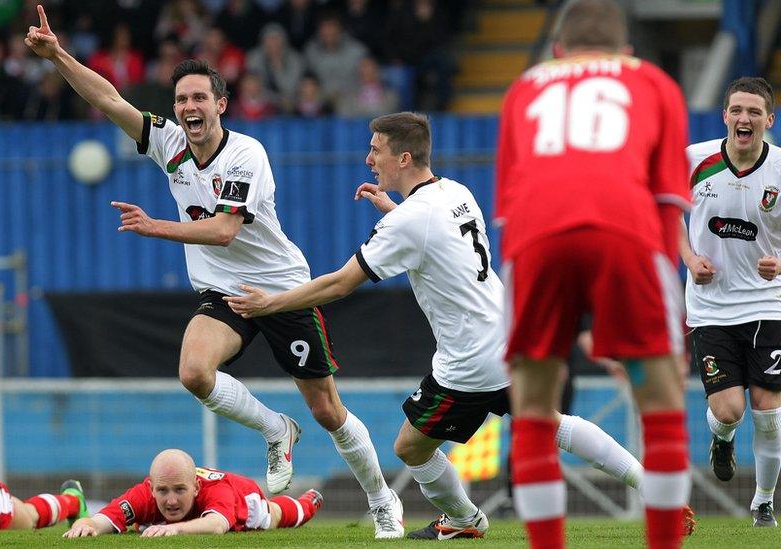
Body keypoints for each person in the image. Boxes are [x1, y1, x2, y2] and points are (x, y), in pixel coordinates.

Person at [25, 5, 404, 539]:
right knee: (194, 373)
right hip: (221, 291)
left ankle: (381, 499)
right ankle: (275, 428)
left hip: (283, 290)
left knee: (327, 409)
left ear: (221, 104)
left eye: (200, 97)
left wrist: (157, 227)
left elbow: (225, 230)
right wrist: (57, 55)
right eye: (181, 99)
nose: (189, 106)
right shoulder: (168, 143)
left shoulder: (246, 154)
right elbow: (109, 98)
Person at [226, 112, 694, 540]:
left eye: (376, 149)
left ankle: (465, 520)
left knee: (410, 447)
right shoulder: (455, 192)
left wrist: (271, 303)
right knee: (551, 423)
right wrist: (393, 210)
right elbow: (433, 239)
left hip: (470, 361)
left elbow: (340, 284)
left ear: (403, 157)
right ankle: (652, 485)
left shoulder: (411, 221)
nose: (368, 158)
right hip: (513, 334)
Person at [495, 1, 691, 547]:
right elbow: (668, 199)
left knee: (532, 405)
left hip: (536, 237)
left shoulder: (526, 87)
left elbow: (509, 203)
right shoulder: (652, 82)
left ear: (557, 52)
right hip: (626, 230)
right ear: (626, 51)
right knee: (663, 401)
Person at [681, 76, 781, 528]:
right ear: (725, 115)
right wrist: (689, 257)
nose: (745, 119)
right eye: (737, 110)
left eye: (754, 112)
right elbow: (660, 211)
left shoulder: (780, 168)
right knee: (729, 411)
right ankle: (722, 439)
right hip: (711, 307)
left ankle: (762, 501)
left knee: (769, 412)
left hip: (769, 303)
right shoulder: (693, 161)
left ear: (768, 120)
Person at [64, 449, 322, 537]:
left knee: (271, 516)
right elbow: (105, 518)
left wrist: (175, 528)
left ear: (196, 487)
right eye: (163, 491)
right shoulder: (142, 495)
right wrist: (86, 525)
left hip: (241, 495)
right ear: (152, 488)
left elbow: (217, 524)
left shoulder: (216, 491)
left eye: (180, 490)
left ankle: (307, 503)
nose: (171, 500)